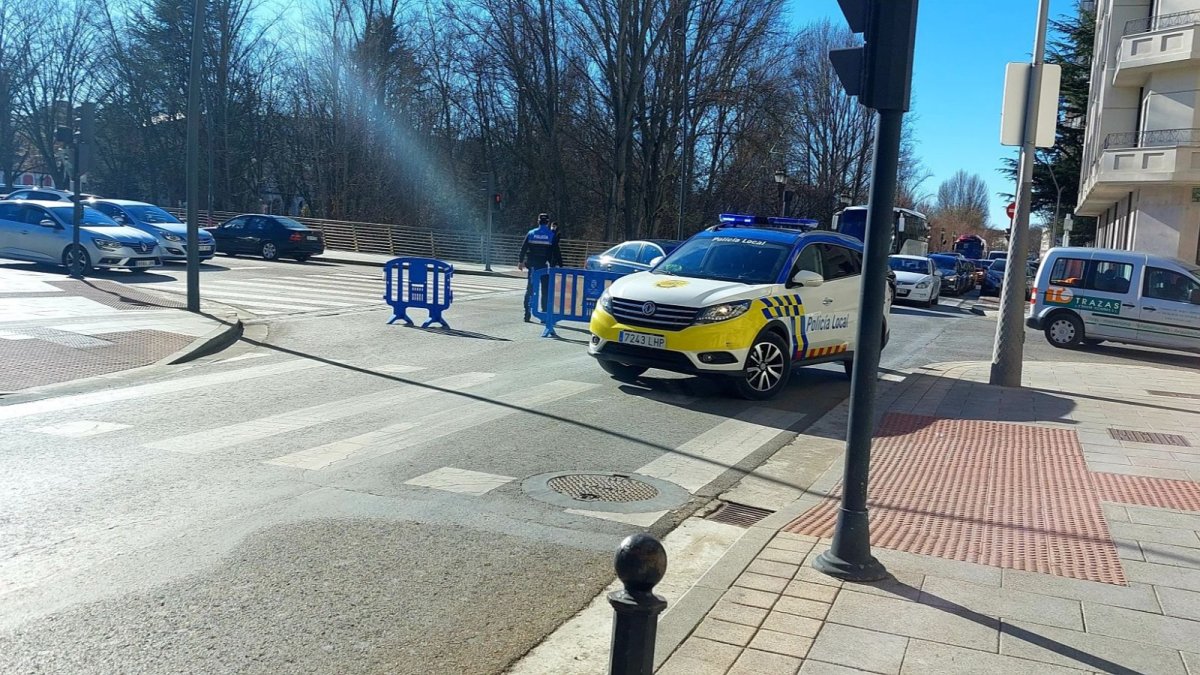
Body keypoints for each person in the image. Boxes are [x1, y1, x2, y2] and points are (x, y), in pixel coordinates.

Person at [518, 213, 563, 322]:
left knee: (530, 289)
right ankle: (543, 314)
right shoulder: (551, 235)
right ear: (547, 222)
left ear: (538, 221)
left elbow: (523, 248)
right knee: (545, 290)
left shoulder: (531, 233)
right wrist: (560, 265)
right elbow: (556, 252)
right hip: (545, 266)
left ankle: (527, 313)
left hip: (533, 266)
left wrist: (520, 261)